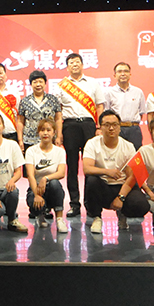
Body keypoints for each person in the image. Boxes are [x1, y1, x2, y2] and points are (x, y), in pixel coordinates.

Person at [54, 52, 105, 218]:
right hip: (70, 126)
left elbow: (99, 106)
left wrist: (99, 126)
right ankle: (74, 204)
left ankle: (91, 204)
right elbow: (58, 112)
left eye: (77, 62)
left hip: (89, 125)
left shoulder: (93, 83)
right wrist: (59, 133)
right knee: (72, 167)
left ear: (82, 64)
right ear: (67, 67)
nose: (74, 65)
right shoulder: (61, 85)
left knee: (90, 165)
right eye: (71, 62)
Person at [83, 110, 149, 234]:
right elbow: (87, 168)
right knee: (91, 180)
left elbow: (132, 176)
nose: (111, 128)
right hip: (103, 186)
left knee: (141, 205)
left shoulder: (128, 146)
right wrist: (107, 172)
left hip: (122, 186)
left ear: (119, 127)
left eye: (115, 125)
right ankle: (96, 218)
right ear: (100, 127)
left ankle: (122, 213)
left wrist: (121, 197)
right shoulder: (92, 143)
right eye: (107, 125)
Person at [24, 118, 68, 233]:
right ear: (38, 133)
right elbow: (30, 175)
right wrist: (36, 194)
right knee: (33, 201)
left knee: (55, 183)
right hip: (36, 187)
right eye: (42, 130)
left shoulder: (60, 151)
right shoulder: (31, 151)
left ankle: (59, 219)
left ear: (54, 133)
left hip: (52, 187)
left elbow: (61, 173)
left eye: (48, 130)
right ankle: (40, 215)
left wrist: (45, 178)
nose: (45, 133)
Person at [17, 70, 63, 153]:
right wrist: (20, 140)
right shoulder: (25, 101)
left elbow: (58, 119)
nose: (38, 84)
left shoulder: (53, 100)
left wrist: (58, 136)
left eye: (41, 82)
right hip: (29, 141)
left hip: (49, 140)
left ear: (45, 83)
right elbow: (20, 121)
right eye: (35, 82)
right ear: (31, 84)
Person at [104, 62, 145, 150]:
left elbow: (141, 112)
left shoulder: (138, 92)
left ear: (130, 74)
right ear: (114, 75)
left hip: (134, 129)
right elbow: (106, 113)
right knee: (116, 153)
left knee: (136, 155)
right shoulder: (109, 92)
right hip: (117, 129)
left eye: (126, 71)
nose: (123, 74)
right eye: (119, 71)